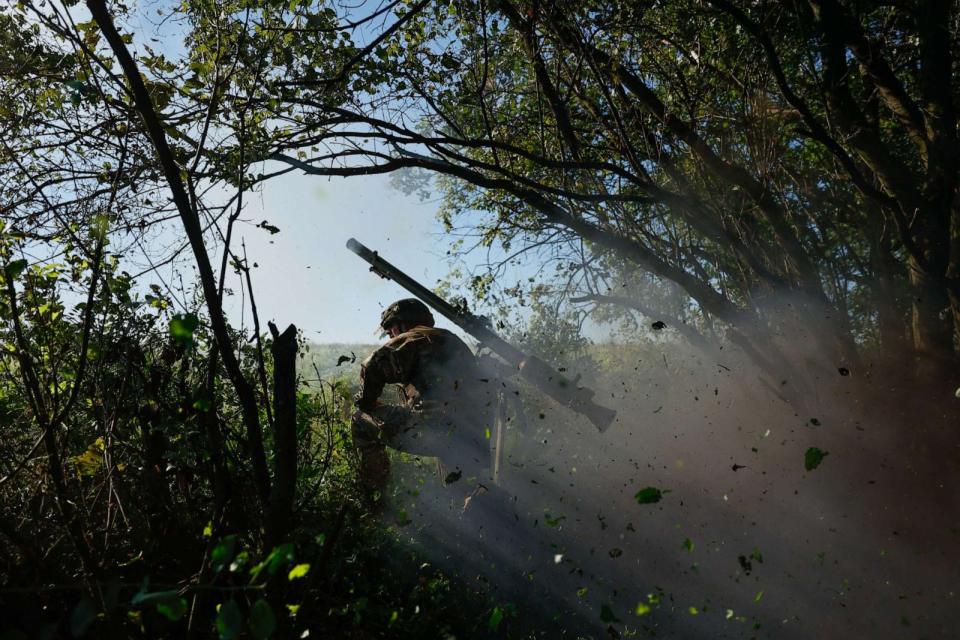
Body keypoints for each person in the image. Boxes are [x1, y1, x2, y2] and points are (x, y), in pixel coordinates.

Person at [351, 298, 491, 507]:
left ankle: (375, 499)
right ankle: (475, 502)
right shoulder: (449, 339)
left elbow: (373, 365)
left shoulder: (416, 337)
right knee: (460, 489)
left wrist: (367, 402)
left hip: (437, 430)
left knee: (360, 421)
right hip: (474, 434)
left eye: (391, 329)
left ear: (403, 323)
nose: (390, 334)